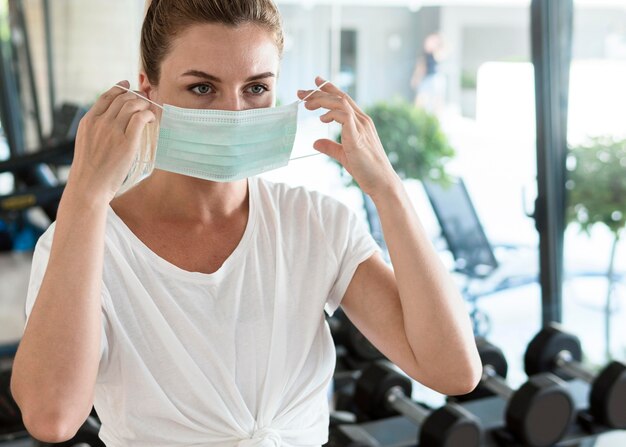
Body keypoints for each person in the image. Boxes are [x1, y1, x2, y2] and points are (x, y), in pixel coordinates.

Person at [10, 1, 481, 446]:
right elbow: (51, 417)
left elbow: (453, 371)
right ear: (147, 92)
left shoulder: (314, 223)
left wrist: (389, 193)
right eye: (202, 88)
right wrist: (86, 197)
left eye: (255, 88)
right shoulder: (88, 240)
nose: (233, 114)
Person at [411, 32, 447, 114]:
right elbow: (420, 68)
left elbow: (441, 56)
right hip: (427, 79)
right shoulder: (425, 55)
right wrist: (416, 78)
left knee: (436, 101)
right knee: (421, 100)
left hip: (435, 78)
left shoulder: (437, 54)